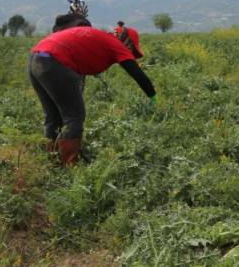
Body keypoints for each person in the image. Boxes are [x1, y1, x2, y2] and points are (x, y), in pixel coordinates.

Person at [28, 25, 156, 165]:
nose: (130, 52)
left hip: (35, 58)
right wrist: (154, 99)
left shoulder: (100, 37)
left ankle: (53, 162)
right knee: (74, 116)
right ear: (127, 42)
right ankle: (70, 165)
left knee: (52, 116)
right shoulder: (116, 44)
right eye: (131, 49)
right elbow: (137, 74)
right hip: (55, 61)